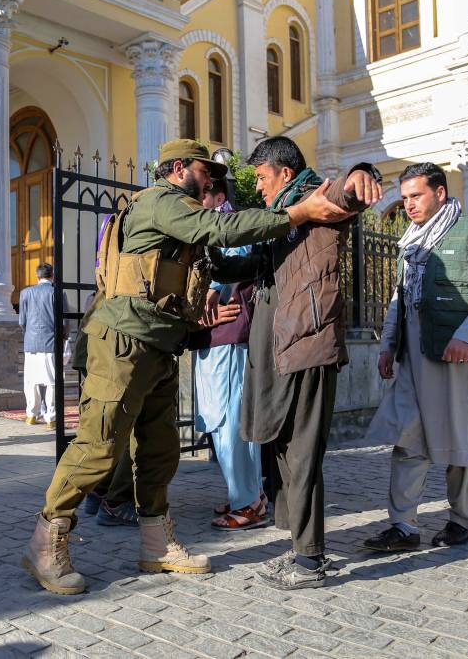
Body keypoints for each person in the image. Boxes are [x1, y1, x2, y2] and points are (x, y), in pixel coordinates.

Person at [21, 138, 368, 596]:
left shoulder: (179, 219)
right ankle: (46, 544)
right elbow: (219, 230)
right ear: (180, 168)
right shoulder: (160, 202)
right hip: (123, 341)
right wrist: (297, 214)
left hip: (159, 345)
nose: (212, 185)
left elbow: (221, 262)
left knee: (161, 449)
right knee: (99, 447)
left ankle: (156, 545)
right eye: (207, 174)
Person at [239, 136, 382, 590]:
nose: (258, 187)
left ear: (283, 172)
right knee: (282, 447)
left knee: (302, 452)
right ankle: (302, 548)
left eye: (261, 178)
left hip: (308, 343)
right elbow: (255, 262)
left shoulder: (314, 200)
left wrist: (362, 171)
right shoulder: (282, 215)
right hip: (280, 347)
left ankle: (310, 562)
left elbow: (347, 192)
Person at [363, 162, 468, 553]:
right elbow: (399, 298)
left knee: (460, 438)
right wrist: (388, 344)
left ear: (439, 193)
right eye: (404, 197)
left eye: (416, 196)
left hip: (458, 354)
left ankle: (462, 521)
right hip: (413, 354)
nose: (408, 204)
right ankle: (403, 526)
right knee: (407, 435)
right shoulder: (409, 241)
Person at [189, 178, 267, 531]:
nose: (194, 201)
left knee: (228, 418)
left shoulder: (228, 224)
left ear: (218, 197)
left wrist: (213, 291)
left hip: (228, 336)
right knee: (222, 417)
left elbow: (232, 260)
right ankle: (248, 494)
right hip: (214, 337)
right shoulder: (205, 228)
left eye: (200, 194)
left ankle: (248, 500)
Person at [19, 263, 59, 428]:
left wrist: (28, 334)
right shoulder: (57, 292)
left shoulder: (25, 293)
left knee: (31, 382)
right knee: (52, 382)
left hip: (31, 343)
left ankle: (31, 415)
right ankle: (51, 417)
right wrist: (63, 337)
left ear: (37, 276)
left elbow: (22, 321)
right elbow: (62, 321)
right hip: (50, 341)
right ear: (52, 276)